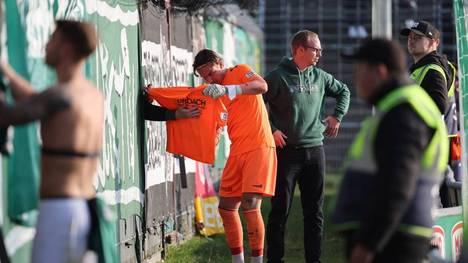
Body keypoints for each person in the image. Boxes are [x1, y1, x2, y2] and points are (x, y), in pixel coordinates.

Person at [0, 20, 116, 262]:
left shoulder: (59, 96)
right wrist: (6, 71)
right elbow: (36, 99)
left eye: (52, 38)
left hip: (59, 213)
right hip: (83, 209)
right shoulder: (89, 95)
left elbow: (8, 115)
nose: (46, 44)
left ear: (65, 49)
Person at [332, 38, 448, 263]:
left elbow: (398, 184)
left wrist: (369, 243)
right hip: (394, 235)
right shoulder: (399, 105)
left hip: (392, 241)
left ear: (380, 71)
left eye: (360, 70)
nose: (355, 79)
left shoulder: (403, 111)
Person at [263, 30, 350, 263]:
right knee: (280, 211)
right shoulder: (277, 77)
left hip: (315, 151)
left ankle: (314, 260)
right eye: (316, 49)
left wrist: (337, 116)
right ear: (299, 49)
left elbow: (344, 91)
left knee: (315, 213)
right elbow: (256, 105)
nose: (320, 54)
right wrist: (271, 130)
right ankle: (274, 260)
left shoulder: (320, 76)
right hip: (286, 154)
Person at [194, 49, 277, 263]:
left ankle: (257, 260)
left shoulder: (240, 70)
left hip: (259, 146)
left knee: (250, 204)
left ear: (220, 62)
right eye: (204, 77)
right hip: (237, 150)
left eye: (210, 73)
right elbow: (219, 121)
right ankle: (237, 260)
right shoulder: (215, 91)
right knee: (226, 207)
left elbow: (262, 86)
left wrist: (228, 89)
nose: (209, 79)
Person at [400, 20, 455, 115]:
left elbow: (440, 106)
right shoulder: (422, 67)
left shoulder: (433, 70)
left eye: (418, 37)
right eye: (410, 37)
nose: (411, 40)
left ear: (434, 42)